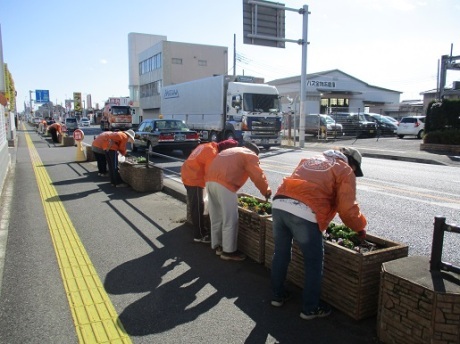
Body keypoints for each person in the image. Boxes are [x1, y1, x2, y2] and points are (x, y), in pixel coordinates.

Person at [270, 147, 367, 320]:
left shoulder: (311, 159)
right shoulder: (344, 169)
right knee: (313, 262)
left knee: (281, 254)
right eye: (355, 168)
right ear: (351, 162)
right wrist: (359, 227)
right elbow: (347, 209)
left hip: (279, 205)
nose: (353, 172)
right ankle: (310, 308)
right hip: (305, 212)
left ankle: (277, 296)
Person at [205, 141, 271, 261]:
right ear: (255, 152)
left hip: (210, 181)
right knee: (230, 219)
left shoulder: (230, 151)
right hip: (225, 185)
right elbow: (257, 175)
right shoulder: (249, 155)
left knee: (216, 216)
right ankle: (228, 252)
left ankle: (218, 245)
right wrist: (266, 191)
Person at [181, 139, 239, 244]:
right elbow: (211, 173)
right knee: (197, 207)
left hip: (188, 172)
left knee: (197, 205)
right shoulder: (212, 154)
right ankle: (199, 235)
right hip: (193, 179)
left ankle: (200, 230)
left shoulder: (209, 145)